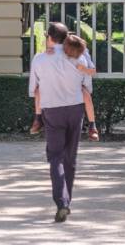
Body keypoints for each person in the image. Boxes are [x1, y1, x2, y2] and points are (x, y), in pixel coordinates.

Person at [29, 22, 92, 222]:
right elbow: (87, 86)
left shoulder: (39, 59)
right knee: (70, 158)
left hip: (52, 110)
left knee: (55, 157)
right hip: (75, 109)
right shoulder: (78, 56)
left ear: (49, 37)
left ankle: (62, 202)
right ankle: (67, 201)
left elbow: (33, 89)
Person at [30, 33, 98, 140]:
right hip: (55, 85)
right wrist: (47, 53)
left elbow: (93, 71)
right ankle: (38, 119)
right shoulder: (57, 50)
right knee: (38, 91)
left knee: (87, 97)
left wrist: (84, 69)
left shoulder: (83, 53)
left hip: (75, 85)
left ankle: (92, 126)